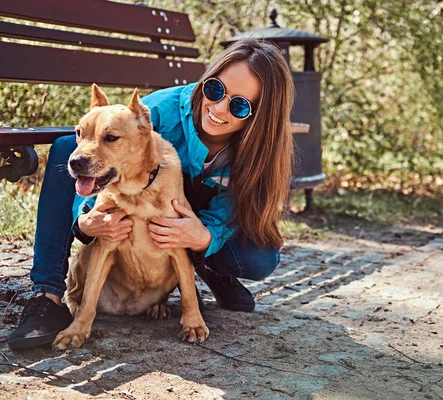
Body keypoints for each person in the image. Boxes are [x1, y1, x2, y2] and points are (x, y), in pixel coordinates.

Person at [8, 39, 294, 349]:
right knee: (66, 148)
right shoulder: (160, 112)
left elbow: (236, 203)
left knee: (259, 258)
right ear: (207, 80)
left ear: (258, 116)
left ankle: (203, 264)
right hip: (149, 197)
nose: (219, 109)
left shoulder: (257, 149)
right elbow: (101, 158)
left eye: (239, 105)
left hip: (192, 211)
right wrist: (85, 217)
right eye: (215, 90)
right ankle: (47, 295)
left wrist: (206, 237)